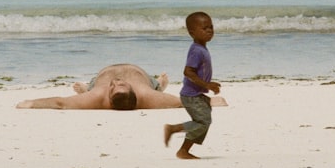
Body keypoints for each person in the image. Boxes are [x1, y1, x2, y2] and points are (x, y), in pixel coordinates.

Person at [15, 63, 225, 110]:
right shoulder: (145, 94)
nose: (115, 82)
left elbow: (62, 103)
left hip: (94, 84)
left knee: (87, 90)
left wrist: (32, 103)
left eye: (114, 86)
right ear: (134, 91)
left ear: (108, 94)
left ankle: (85, 89)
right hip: (148, 83)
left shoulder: (99, 94)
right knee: (155, 87)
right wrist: (212, 101)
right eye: (120, 85)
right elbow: (182, 103)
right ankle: (159, 85)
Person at [164, 12, 221, 159]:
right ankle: (174, 130)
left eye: (211, 27)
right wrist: (207, 85)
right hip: (191, 96)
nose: (209, 30)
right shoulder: (196, 50)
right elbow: (188, 72)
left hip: (196, 94)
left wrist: (207, 86)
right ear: (192, 33)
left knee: (204, 122)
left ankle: (184, 150)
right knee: (202, 122)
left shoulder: (201, 48)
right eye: (204, 28)